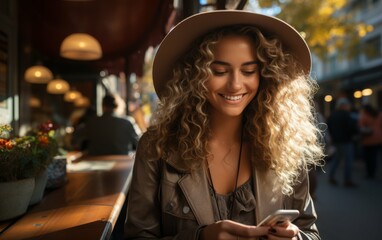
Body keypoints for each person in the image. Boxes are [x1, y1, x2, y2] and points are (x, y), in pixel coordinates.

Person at [125, 10, 324, 240]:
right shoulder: (156, 147)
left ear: (266, 75)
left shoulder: (284, 145)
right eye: (219, 71)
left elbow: (310, 232)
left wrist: (296, 238)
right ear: (194, 75)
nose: (235, 84)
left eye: (249, 71)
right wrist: (200, 238)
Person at [73, 94, 139, 155]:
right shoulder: (127, 122)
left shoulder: (92, 122)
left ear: (103, 106)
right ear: (118, 106)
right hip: (121, 162)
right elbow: (139, 142)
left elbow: (75, 137)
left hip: (96, 162)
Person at [327, 98, 358, 187]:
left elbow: (328, 127)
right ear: (344, 106)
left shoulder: (333, 115)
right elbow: (352, 128)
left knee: (337, 159)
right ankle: (347, 180)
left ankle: (331, 176)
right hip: (346, 140)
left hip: (336, 141)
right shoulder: (347, 115)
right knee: (348, 160)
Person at [358, 104, 382, 180]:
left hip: (367, 139)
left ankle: (369, 173)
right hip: (378, 138)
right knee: (374, 156)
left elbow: (360, 126)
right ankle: (373, 171)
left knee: (368, 157)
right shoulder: (379, 115)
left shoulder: (364, 116)